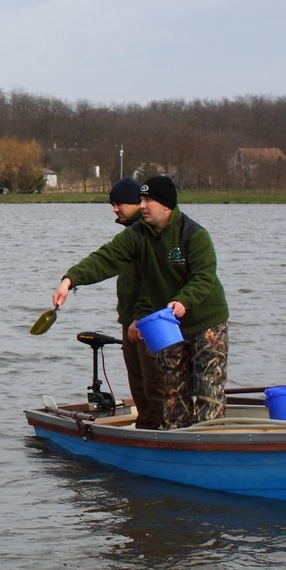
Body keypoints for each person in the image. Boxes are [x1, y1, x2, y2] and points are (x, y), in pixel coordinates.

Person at [51, 176, 229, 429]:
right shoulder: (137, 235)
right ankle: (175, 445)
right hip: (168, 326)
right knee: (171, 394)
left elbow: (204, 277)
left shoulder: (193, 235)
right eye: (141, 200)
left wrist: (182, 300)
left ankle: (210, 444)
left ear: (166, 205)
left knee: (206, 392)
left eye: (148, 200)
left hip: (205, 323)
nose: (142, 205)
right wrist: (69, 280)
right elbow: (105, 258)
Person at [107, 178, 165, 430]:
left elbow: (153, 283)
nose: (115, 209)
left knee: (153, 383)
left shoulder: (149, 236)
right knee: (139, 384)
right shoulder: (129, 237)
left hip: (146, 323)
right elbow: (103, 261)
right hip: (130, 321)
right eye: (112, 204)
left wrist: (139, 318)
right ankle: (146, 427)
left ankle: (160, 431)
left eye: (119, 203)